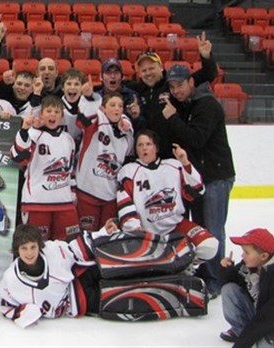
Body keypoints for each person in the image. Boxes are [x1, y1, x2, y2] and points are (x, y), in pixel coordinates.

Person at [163, 63, 236, 297]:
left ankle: (216, 280)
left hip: (216, 177)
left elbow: (196, 139)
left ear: (192, 82)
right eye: (172, 86)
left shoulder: (207, 105)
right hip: (201, 177)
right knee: (202, 228)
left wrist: (172, 118)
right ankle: (206, 275)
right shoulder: (191, 104)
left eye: (180, 85)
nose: (176, 90)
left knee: (213, 230)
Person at [116, 129, 219, 268]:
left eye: (148, 144)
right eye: (140, 145)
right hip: (147, 232)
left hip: (175, 226)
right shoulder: (128, 172)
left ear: (156, 148)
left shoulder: (174, 166)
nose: (144, 148)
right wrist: (136, 231)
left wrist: (185, 162)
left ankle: (185, 266)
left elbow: (198, 190)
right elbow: (125, 206)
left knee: (210, 245)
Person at [124, 32, 218, 160]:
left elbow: (208, 74)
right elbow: (114, 85)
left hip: (175, 156)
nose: (148, 73)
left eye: (151, 68)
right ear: (139, 73)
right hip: (150, 157)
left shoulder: (174, 83)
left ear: (161, 67)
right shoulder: (138, 89)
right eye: (144, 70)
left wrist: (206, 57)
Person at [0, 224, 97, 328]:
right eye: (24, 248)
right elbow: (4, 306)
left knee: (110, 262)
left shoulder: (52, 250)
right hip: (81, 301)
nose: (29, 253)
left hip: (82, 276)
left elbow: (76, 248)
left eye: (33, 247)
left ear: (39, 245)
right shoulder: (10, 279)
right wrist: (25, 312)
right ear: (17, 249)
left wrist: (105, 233)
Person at [10, 95, 78, 241]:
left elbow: (70, 170)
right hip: (36, 203)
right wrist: (24, 130)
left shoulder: (69, 139)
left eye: (56, 111)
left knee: (68, 245)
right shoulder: (33, 134)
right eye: (48, 111)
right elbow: (19, 158)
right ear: (41, 115)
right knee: (37, 245)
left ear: (62, 116)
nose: (52, 114)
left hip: (64, 204)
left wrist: (72, 194)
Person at [76, 92, 134, 231]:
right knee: (86, 236)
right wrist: (90, 96)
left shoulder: (128, 135)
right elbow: (83, 118)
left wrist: (126, 122)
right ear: (103, 108)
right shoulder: (97, 120)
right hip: (87, 192)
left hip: (110, 196)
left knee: (108, 238)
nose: (116, 109)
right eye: (112, 105)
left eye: (120, 106)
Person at [219, 228, 274, 348]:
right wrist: (227, 270)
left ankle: (249, 336)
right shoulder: (250, 265)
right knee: (229, 290)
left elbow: (266, 318)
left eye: (247, 252)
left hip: (269, 322)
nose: (243, 255)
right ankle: (241, 331)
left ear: (264, 256)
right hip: (261, 317)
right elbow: (230, 283)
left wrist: (242, 344)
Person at [94, 58, 141, 126]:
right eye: (108, 73)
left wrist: (136, 117)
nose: (112, 76)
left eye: (116, 72)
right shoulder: (95, 98)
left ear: (122, 77)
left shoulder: (132, 96)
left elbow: (142, 127)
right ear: (101, 77)